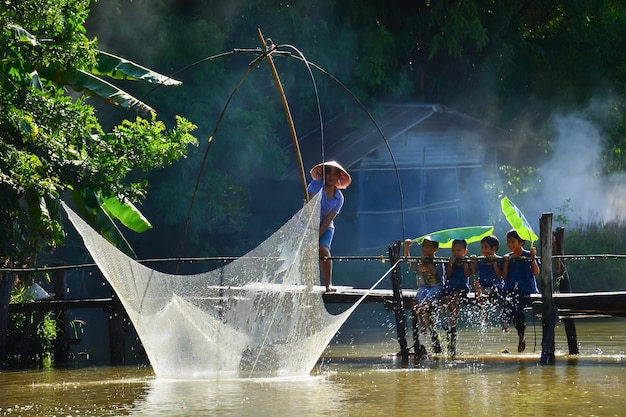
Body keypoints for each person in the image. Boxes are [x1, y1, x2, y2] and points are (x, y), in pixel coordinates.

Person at [307, 160, 351, 292]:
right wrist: (312, 234)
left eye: (334, 174)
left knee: (324, 251)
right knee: (308, 252)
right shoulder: (315, 186)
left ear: (338, 177)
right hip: (307, 224)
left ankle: (328, 285)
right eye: (328, 173)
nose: (331, 177)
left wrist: (318, 236)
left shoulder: (339, 198)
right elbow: (311, 207)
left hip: (326, 227)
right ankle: (309, 284)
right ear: (323, 175)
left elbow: (328, 220)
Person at [500, 229, 540, 353]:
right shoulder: (509, 257)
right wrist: (506, 263)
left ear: (521, 242)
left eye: (513, 242)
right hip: (510, 290)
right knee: (508, 302)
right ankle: (505, 321)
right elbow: (504, 277)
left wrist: (533, 258)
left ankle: (520, 335)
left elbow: (536, 273)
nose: (510, 245)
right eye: (508, 242)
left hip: (526, 290)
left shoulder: (528, 255)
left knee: (515, 306)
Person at [407, 238, 444, 355]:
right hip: (423, 286)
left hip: (436, 286)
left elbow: (434, 272)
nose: (424, 249)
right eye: (423, 246)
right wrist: (406, 247)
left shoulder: (438, 262)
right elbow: (408, 260)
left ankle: (425, 318)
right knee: (418, 299)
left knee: (428, 298)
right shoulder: (419, 261)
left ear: (435, 249)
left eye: (427, 247)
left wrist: (427, 262)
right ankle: (423, 325)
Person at [441, 239, 471, 357]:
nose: (456, 253)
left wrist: (464, 263)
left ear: (464, 251)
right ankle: (449, 317)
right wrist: (451, 263)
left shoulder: (466, 261)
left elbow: (467, 274)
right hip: (450, 287)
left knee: (456, 296)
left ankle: (454, 318)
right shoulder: (450, 261)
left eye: (459, 250)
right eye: (454, 250)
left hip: (462, 287)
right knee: (447, 297)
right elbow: (448, 274)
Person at [470, 235, 504, 327]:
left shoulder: (498, 259)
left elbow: (499, 275)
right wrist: (473, 262)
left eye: (486, 247)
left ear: (494, 248)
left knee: (486, 290)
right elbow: (473, 272)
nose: (483, 250)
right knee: (480, 291)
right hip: (483, 285)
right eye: (482, 247)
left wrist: (494, 263)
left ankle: (481, 292)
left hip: (495, 286)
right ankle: (483, 314)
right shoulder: (481, 260)